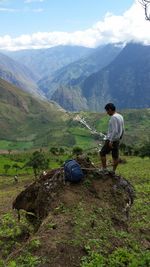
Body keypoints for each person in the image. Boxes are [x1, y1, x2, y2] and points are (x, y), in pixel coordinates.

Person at [100, 103, 124, 172]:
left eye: (107, 111)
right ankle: (113, 171)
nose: (107, 113)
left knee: (102, 153)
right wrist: (120, 137)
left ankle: (104, 169)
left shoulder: (113, 117)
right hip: (117, 139)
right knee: (115, 156)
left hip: (111, 140)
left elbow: (115, 130)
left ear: (110, 109)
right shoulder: (120, 116)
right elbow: (123, 128)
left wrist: (111, 141)